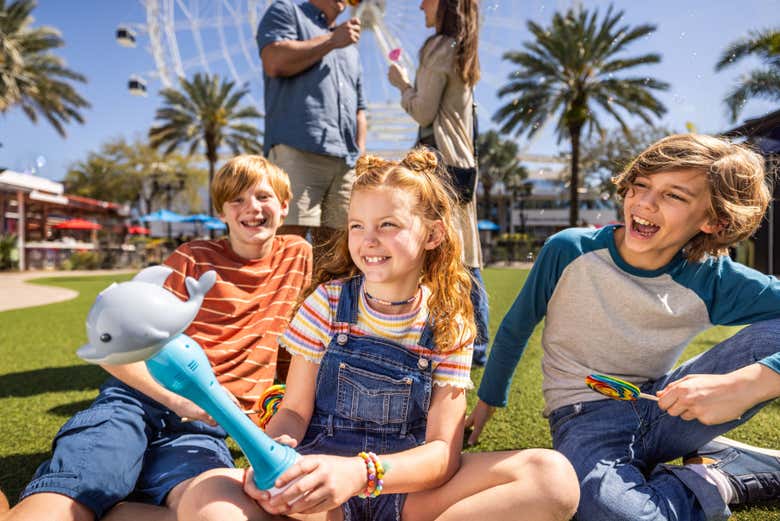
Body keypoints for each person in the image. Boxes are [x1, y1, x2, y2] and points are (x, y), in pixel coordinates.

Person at [175, 149, 579, 521]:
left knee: (552, 476)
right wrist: (278, 455)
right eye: (357, 226)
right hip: (321, 490)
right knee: (207, 493)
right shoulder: (327, 303)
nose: (368, 240)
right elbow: (294, 412)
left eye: (388, 225)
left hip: (404, 489)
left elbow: (442, 454)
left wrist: (362, 473)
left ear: (433, 235)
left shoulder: (450, 322)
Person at [466, 134, 780, 521]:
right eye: (641, 185)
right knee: (612, 512)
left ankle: (714, 460)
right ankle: (720, 476)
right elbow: (516, 327)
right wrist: (488, 401)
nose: (644, 203)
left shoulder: (714, 278)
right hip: (584, 419)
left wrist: (749, 384)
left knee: (773, 335)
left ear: (713, 220)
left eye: (674, 196)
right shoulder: (569, 250)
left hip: (669, 406)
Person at [3, 156, 312, 521]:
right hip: (136, 401)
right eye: (237, 200)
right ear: (222, 213)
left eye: (263, 196)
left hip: (207, 426)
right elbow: (112, 349)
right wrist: (173, 400)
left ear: (285, 204)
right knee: (75, 489)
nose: (252, 209)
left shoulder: (298, 256)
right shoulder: (193, 258)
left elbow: (314, 341)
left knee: (219, 512)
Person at [387, 0, 489, 366]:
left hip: (438, 161)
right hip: (463, 163)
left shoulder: (437, 48)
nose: (419, 6)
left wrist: (402, 85)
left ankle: (437, 339)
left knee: (432, 252)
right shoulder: (463, 50)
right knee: (466, 253)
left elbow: (423, 111)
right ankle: (477, 345)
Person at [257, 0, 367, 259]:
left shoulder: (350, 47)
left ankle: (326, 301)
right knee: (286, 245)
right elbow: (274, 60)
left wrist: (359, 153)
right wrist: (331, 41)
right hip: (298, 150)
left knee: (341, 252)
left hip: (345, 162)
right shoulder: (286, 11)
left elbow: (359, 108)